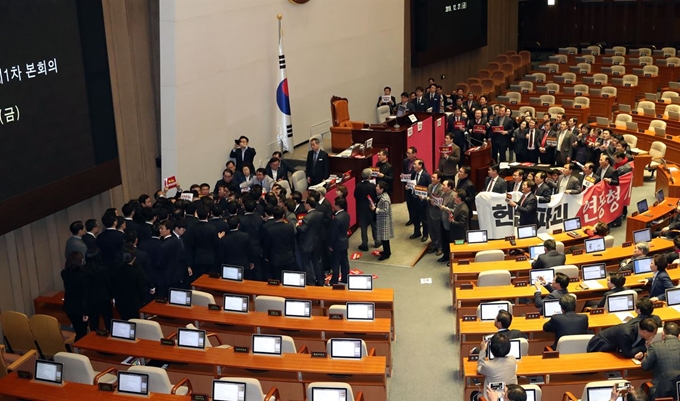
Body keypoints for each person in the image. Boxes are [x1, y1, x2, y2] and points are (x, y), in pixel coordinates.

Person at [110, 245, 151, 321]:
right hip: (134, 302)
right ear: (134, 258)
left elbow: (113, 285)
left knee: (124, 319)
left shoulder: (116, 270)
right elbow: (142, 286)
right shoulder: (137, 272)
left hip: (120, 301)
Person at [641, 322, 680, 400]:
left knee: (643, 387)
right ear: (678, 336)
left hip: (661, 391)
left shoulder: (655, 346)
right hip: (678, 391)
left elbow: (645, 366)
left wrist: (648, 350)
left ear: (663, 334)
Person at [587, 318, 659, 359]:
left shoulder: (640, 327)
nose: (653, 336)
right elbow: (627, 353)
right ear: (644, 332)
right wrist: (644, 347)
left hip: (616, 346)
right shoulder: (626, 334)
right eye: (653, 334)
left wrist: (639, 351)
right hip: (600, 346)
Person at [182, 206, 221, 281]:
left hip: (197, 258)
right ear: (208, 214)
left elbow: (189, 246)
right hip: (210, 259)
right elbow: (217, 244)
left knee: (198, 280)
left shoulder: (192, 228)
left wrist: (189, 264)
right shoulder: (213, 228)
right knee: (210, 281)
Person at [476, 333, 518, 401]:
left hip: (491, 397)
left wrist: (482, 350)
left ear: (491, 349)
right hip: (509, 397)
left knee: (475, 394)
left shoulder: (488, 365)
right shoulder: (513, 360)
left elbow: (479, 368)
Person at [261, 208, 297, 281]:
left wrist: (266, 257)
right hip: (289, 258)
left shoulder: (270, 230)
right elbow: (293, 242)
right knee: (288, 280)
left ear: (273, 216)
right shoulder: (290, 227)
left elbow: (267, 246)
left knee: (277, 281)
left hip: (275, 260)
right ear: (283, 215)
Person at [61, 252, 90, 341]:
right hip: (80, 308)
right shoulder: (83, 276)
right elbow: (85, 294)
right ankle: (79, 348)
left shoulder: (64, 273)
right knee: (82, 331)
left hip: (69, 306)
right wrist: (86, 312)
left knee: (78, 329)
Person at [297, 197, 324, 285]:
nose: (304, 205)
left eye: (305, 204)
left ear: (308, 205)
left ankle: (310, 282)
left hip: (307, 244)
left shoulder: (306, 218)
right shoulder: (320, 214)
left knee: (307, 264)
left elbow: (303, 229)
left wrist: (297, 226)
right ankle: (320, 280)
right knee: (317, 262)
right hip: (317, 242)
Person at [354, 168, 379, 251]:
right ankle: (377, 241)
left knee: (363, 227)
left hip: (361, 209)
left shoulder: (358, 186)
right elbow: (376, 197)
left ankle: (364, 244)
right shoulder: (373, 186)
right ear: (369, 176)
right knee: (374, 226)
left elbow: (355, 196)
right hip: (371, 208)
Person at [328, 198, 350, 284]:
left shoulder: (336, 219)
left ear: (337, 206)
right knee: (344, 261)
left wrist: (330, 245)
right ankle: (345, 278)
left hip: (337, 244)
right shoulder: (346, 214)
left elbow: (333, 234)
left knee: (335, 263)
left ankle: (334, 280)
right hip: (344, 242)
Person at [408, 159, 431, 242]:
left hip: (422, 201)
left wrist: (425, 195)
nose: (413, 166)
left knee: (424, 218)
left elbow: (429, 188)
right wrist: (408, 187)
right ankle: (417, 232)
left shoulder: (426, 175)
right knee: (415, 217)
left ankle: (425, 234)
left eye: (415, 164)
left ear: (420, 165)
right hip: (414, 199)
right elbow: (411, 184)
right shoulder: (413, 174)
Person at [371, 181, 394, 261]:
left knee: (385, 238)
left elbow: (385, 210)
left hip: (384, 220)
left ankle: (387, 253)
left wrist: (375, 209)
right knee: (383, 237)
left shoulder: (385, 199)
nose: (376, 188)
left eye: (377, 187)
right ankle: (385, 251)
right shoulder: (381, 196)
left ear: (382, 189)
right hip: (381, 219)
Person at [426, 171, 444, 255]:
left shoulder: (441, 188)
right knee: (431, 230)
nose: (432, 179)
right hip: (429, 211)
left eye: (434, 178)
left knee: (438, 231)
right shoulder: (430, 186)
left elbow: (441, 200)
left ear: (439, 179)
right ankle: (434, 244)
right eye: (432, 177)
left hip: (437, 213)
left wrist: (430, 200)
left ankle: (440, 247)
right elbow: (428, 197)